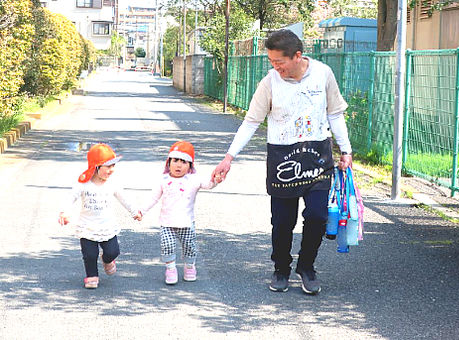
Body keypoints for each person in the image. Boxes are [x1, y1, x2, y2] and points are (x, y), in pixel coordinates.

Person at [212, 29, 352, 295]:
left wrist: (346, 150)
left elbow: (335, 114)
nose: (275, 67)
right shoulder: (269, 83)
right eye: (272, 62)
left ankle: (307, 266)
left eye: (280, 62)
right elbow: (251, 121)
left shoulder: (323, 74)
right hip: (282, 158)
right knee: (282, 222)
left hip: (317, 156)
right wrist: (229, 157)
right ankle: (281, 268)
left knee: (318, 216)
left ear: (297, 56)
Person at [58, 143, 141, 289]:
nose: (111, 170)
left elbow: (124, 198)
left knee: (113, 252)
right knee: (89, 254)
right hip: (87, 227)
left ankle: (107, 260)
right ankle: (91, 276)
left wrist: (134, 212)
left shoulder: (112, 183)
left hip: (107, 226)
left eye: (113, 166)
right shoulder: (83, 183)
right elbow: (70, 198)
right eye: (107, 167)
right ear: (96, 166)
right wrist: (64, 212)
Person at [139, 141, 218, 285]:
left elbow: (208, 184)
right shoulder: (163, 180)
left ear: (190, 166)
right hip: (167, 222)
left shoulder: (194, 180)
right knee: (167, 245)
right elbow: (153, 198)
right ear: (168, 162)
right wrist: (141, 211)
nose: (179, 165)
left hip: (186, 222)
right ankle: (170, 269)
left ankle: (189, 266)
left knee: (189, 246)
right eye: (175, 161)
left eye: (184, 162)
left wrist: (216, 179)